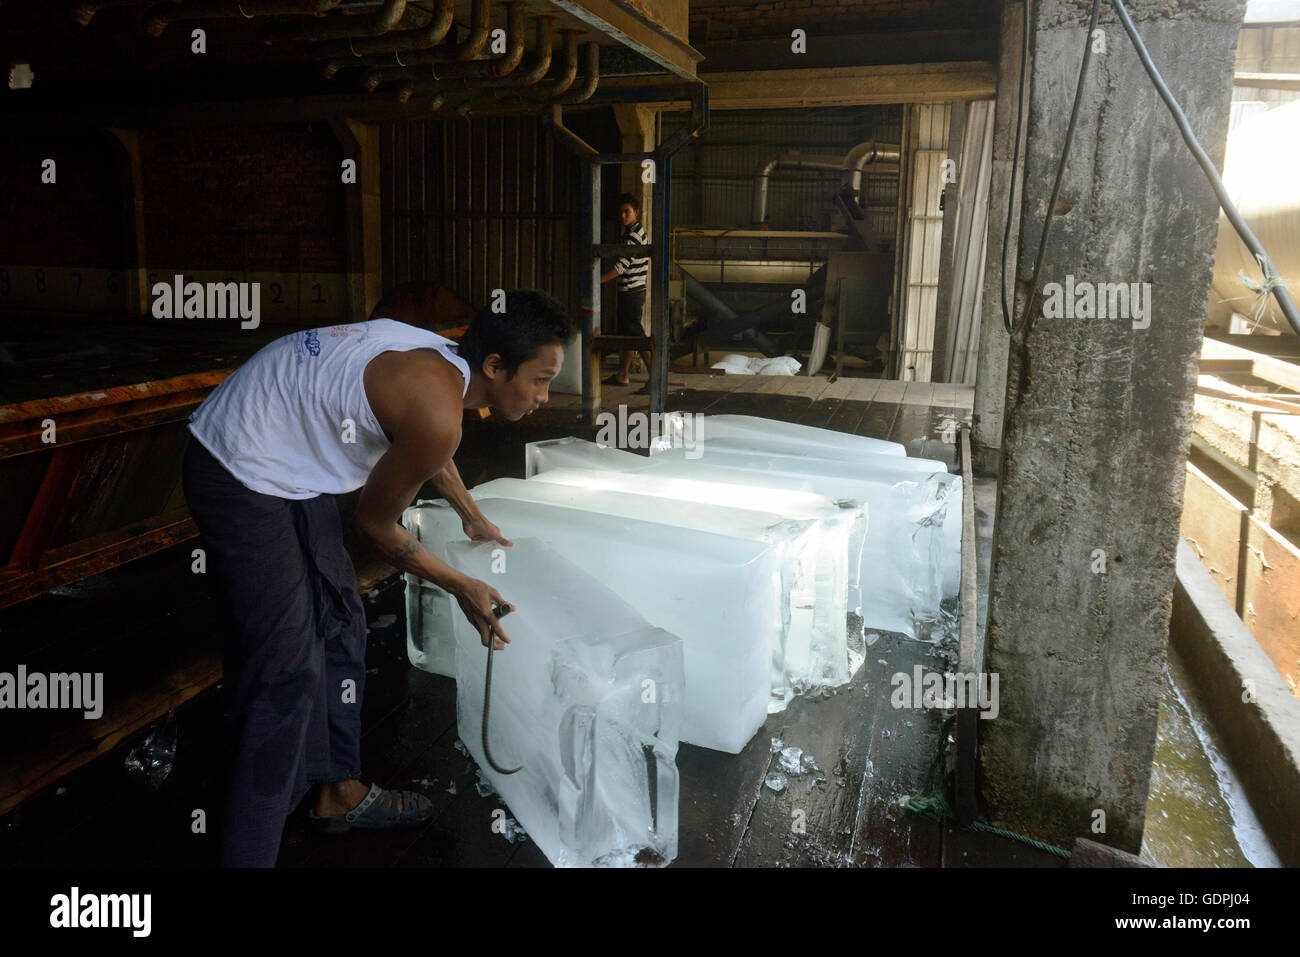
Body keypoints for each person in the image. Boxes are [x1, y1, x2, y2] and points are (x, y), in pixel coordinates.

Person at [182, 288, 576, 866]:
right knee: (285, 669)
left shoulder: (446, 363)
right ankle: (248, 852)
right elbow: (376, 527)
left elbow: (427, 445)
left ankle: (338, 792)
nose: (544, 396)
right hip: (235, 463)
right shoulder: (440, 410)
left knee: (340, 619)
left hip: (288, 451)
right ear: (495, 366)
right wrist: (462, 586)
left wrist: (471, 515)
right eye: (540, 380)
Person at [600, 192, 652, 392]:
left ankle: (654, 378)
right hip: (632, 290)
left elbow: (621, 267)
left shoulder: (632, 236)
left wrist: (598, 281)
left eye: (627, 212)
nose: (623, 216)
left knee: (637, 337)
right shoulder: (636, 231)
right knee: (629, 335)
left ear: (636, 212)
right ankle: (622, 375)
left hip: (631, 292)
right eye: (621, 212)